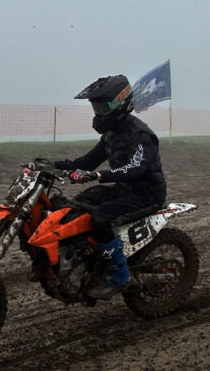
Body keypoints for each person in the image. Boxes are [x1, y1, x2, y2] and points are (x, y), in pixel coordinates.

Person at [53, 75, 166, 299]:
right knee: (76, 205)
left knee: (102, 217)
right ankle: (83, 258)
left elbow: (135, 169)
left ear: (120, 105)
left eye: (103, 108)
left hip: (147, 194)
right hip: (124, 189)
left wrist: (98, 175)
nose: (99, 113)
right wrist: (51, 165)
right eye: (96, 108)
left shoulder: (141, 135)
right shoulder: (111, 134)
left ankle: (119, 276)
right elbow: (86, 162)